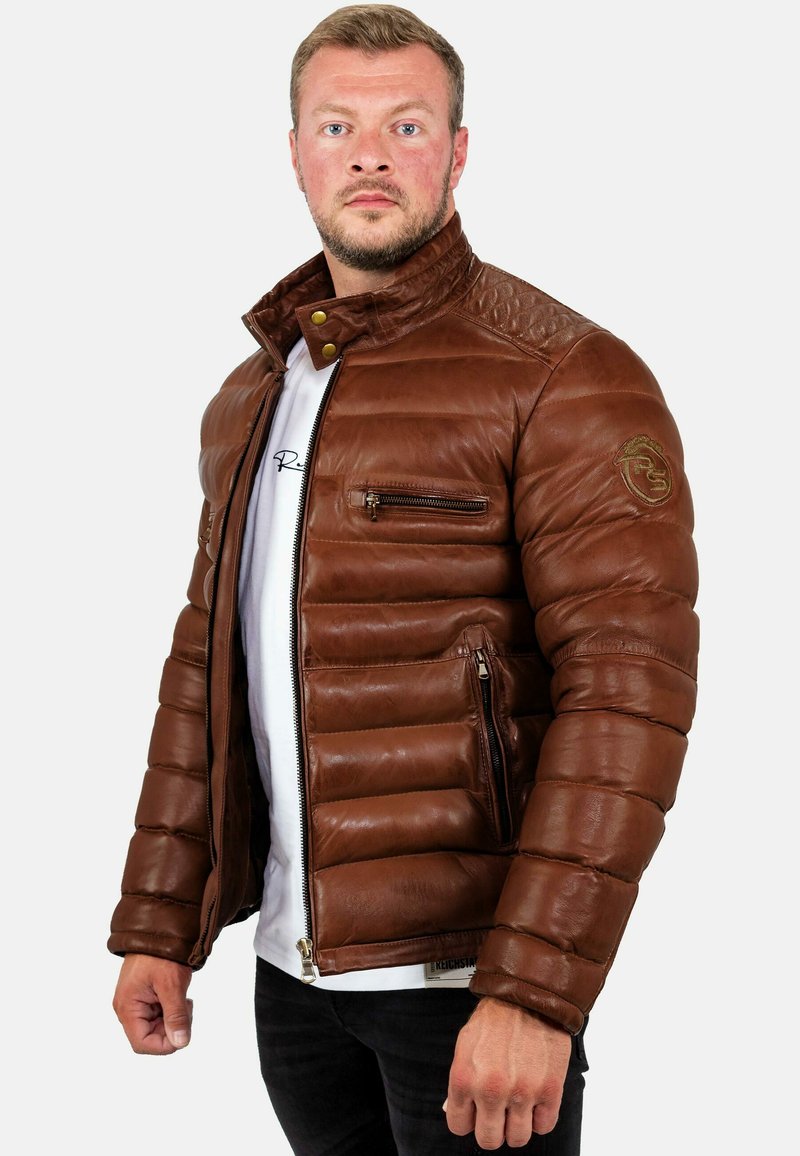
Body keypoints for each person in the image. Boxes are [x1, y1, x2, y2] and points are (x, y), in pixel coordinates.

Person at [109, 6, 699, 1153]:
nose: (368, 154)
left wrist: (534, 989)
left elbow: (627, 695)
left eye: (406, 124)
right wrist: (160, 919)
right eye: (337, 126)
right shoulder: (253, 393)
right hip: (293, 982)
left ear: (457, 151)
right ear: (295, 152)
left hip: (466, 985)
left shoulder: (563, 374)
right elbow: (206, 664)